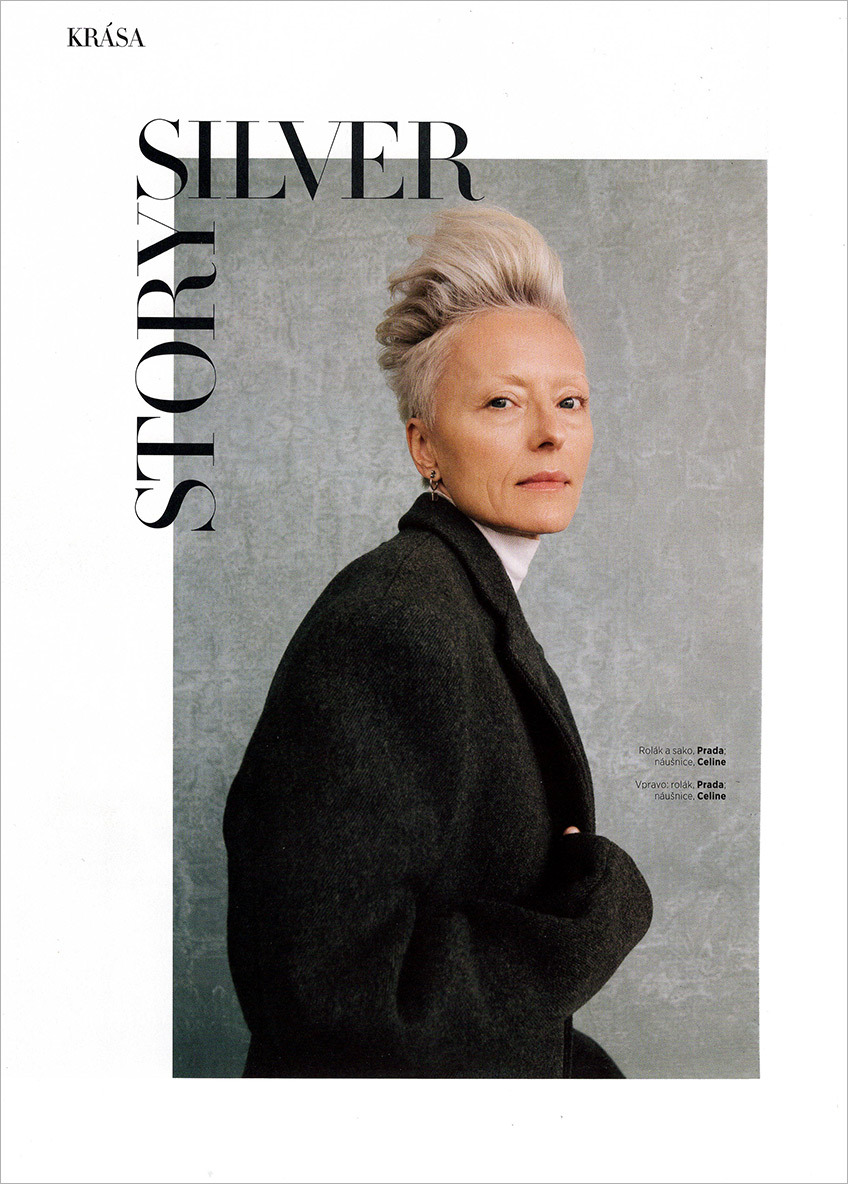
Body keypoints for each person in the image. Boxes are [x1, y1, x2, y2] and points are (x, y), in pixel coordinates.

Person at [223, 207, 652, 1078]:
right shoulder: (395, 620)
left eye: (570, 401)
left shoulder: (462, 598)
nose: (551, 432)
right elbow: (328, 997)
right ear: (425, 444)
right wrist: (593, 917)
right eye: (502, 402)